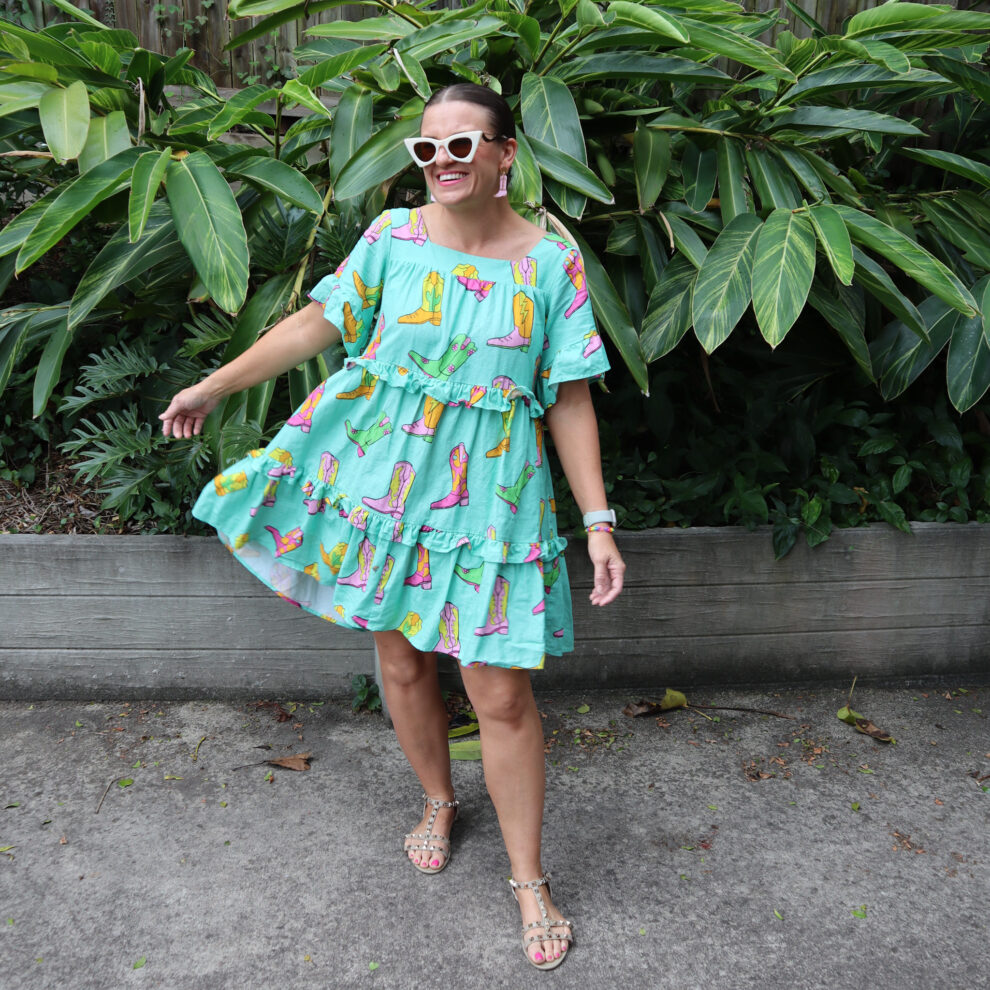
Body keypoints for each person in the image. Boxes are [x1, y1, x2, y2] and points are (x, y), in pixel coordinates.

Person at [159, 82, 625, 971]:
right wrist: (216, 385)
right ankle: (438, 799)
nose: (442, 163)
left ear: (504, 156)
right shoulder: (390, 242)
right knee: (402, 659)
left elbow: (568, 398)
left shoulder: (549, 265)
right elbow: (314, 324)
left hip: (490, 504)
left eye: (461, 147)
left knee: (500, 694)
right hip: (382, 490)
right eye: (427, 150)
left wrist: (597, 521)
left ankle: (528, 879)